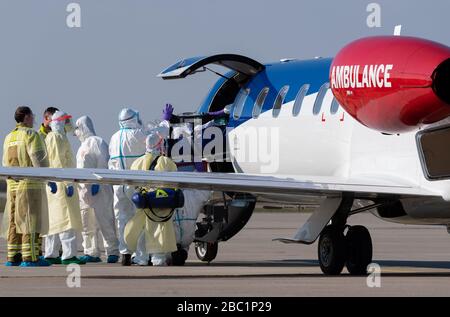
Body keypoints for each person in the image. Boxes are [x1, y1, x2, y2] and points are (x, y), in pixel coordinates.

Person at [1, 106, 51, 267]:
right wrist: (48, 176)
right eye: (32, 116)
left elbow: (4, 162)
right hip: (31, 186)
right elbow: (39, 160)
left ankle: (13, 256)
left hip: (13, 186)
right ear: (27, 117)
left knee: (14, 221)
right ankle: (30, 257)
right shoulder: (31, 134)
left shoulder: (9, 137)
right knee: (31, 220)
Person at [125, 132, 178, 266]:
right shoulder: (166, 162)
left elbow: (131, 186)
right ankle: (158, 258)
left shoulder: (137, 162)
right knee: (159, 229)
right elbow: (176, 183)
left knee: (143, 229)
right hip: (162, 203)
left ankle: (141, 258)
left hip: (144, 203)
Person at [74, 116, 120, 263]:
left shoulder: (97, 141)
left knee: (105, 220)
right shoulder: (81, 147)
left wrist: (97, 181)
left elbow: (103, 161)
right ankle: (91, 251)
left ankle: (112, 251)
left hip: (100, 189)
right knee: (87, 223)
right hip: (84, 191)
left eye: (78, 129)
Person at [44, 111, 85, 265]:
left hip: (58, 183)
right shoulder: (55, 137)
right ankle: (68, 255)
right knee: (66, 219)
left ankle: (51, 253)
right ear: (59, 122)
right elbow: (58, 162)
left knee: (55, 219)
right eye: (66, 121)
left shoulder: (60, 137)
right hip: (61, 183)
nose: (69, 124)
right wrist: (67, 182)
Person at [109, 108, 147, 265]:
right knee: (139, 218)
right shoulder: (138, 134)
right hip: (136, 183)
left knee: (122, 219)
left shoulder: (114, 137)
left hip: (119, 184)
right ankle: (140, 255)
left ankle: (125, 252)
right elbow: (155, 141)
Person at [171, 189, 211, 266]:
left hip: (190, 199)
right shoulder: (171, 241)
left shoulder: (187, 241)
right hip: (186, 197)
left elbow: (205, 194)